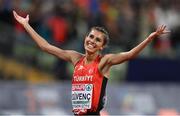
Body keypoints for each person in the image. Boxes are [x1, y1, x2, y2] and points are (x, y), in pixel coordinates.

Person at [13, 10, 170, 115]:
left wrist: (150, 38)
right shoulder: (75, 58)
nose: (92, 41)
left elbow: (130, 54)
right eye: (91, 36)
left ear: (102, 46)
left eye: (97, 40)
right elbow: (45, 47)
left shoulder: (104, 62)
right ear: (85, 38)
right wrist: (26, 25)